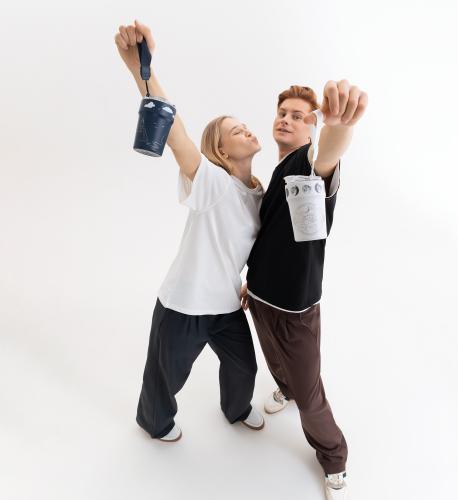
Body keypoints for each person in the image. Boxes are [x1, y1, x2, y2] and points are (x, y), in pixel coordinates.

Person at [114, 20, 265, 442]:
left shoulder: (257, 192)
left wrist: (251, 284)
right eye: (235, 131)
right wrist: (141, 71)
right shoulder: (213, 182)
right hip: (184, 304)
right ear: (220, 150)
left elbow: (254, 248)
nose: (246, 129)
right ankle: (154, 423)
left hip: (225, 303)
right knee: (165, 377)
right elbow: (176, 133)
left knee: (244, 367)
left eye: (245, 125)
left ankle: (236, 409)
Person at [241, 82, 368, 499]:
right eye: (282, 113)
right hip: (259, 299)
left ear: (312, 128)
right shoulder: (275, 171)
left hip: (297, 310)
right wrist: (252, 282)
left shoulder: (307, 163)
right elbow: (268, 237)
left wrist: (338, 125)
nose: (286, 119)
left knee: (311, 400)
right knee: (276, 364)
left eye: (298, 116)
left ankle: (334, 460)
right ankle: (286, 387)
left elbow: (327, 154)